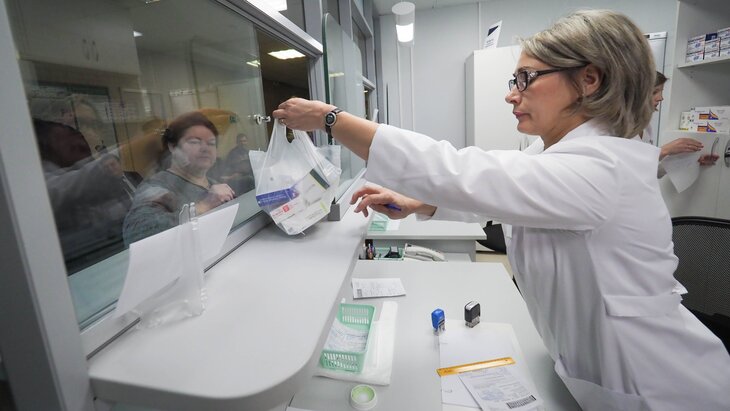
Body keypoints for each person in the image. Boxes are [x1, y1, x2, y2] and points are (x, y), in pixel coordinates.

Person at [274, 9, 730, 411]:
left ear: (588, 80)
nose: (513, 95)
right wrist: (419, 204)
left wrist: (331, 120)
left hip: (661, 387)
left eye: (526, 78)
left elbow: (458, 171)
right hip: (595, 371)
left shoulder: (601, 168)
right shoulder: (557, 156)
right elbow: (502, 195)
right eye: (515, 81)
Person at [32, 119, 136, 273]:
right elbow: (61, 188)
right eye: (66, 141)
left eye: (92, 124)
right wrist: (105, 165)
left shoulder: (86, 170)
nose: (87, 133)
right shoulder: (47, 178)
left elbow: (118, 209)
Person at [123, 111, 235, 244]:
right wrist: (204, 206)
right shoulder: (157, 187)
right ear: (172, 147)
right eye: (194, 142)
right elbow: (135, 234)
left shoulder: (214, 185)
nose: (205, 148)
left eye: (211, 143)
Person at [638, 71, 719, 172]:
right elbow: (630, 167)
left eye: (661, 92)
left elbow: (647, 171)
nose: (661, 98)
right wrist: (665, 150)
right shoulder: (621, 129)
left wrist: (693, 162)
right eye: (654, 92)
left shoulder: (646, 127)